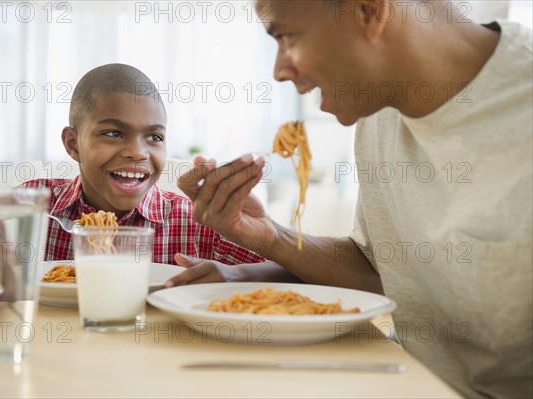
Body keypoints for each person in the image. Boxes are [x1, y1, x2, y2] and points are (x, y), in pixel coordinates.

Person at [167, 1, 533, 398]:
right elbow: (381, 272)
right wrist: (270, 237)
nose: (279, 71)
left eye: (287, 36)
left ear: (368, 11)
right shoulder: (379, 114)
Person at [0, 63, 270, 271]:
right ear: (73, 144)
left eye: (154, 137)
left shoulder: (194, 221)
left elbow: (287, 275)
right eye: (113, 133)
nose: (137, 153)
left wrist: (240, 263)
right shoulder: (32, 204)